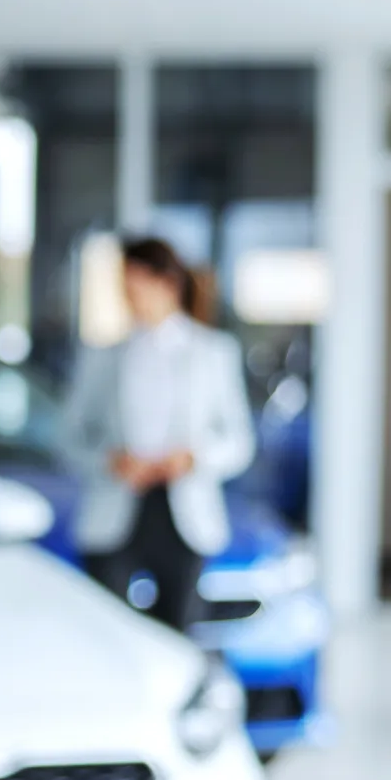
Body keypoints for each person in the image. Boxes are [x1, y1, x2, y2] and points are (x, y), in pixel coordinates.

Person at [56, 237, 258, 631]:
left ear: (168, 284)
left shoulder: (212, 354)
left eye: (138, 287)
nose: (131, 299)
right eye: (125, 289)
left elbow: (239, 442)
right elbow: (67, 438)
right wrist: (109, 461)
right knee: (106, 631)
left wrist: (193, 458)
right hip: (114, 510)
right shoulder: (102, 356)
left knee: (179, 633)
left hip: (183, 515)